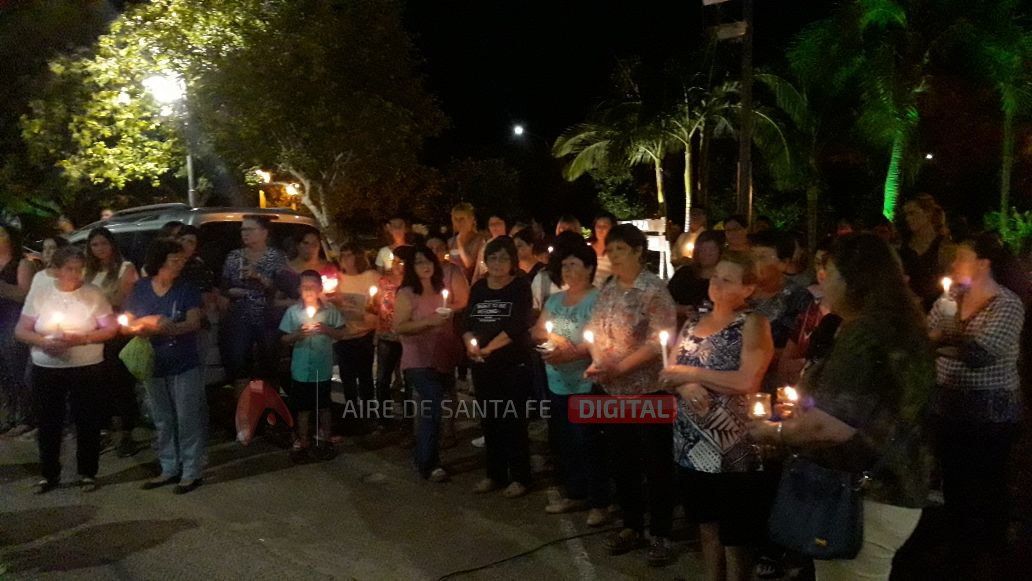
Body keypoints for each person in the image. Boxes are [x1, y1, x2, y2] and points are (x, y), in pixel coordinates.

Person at [748, 233, 934, 581]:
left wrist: (773, 431)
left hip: (864, 498)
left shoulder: (865, 335)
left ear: (854, 279)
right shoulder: (901, 326)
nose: (822, 281)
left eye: (829, 272)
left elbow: (830, 425)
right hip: (894, 488)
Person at [660, 252, 775, 581]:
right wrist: (684, 385)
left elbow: (747, 380)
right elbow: (668, 376)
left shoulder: (753, 324)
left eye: (728, 279)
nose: (717, 285)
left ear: (748, 289)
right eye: (715, 277)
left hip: (732, 446)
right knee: (706, 527)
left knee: (735, 536)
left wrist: (686, 372)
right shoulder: (695, 322)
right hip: (691, 444)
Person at [927, 233, 1027, 579]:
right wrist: (943, 340)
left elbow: (980, 354)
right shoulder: (948, 299)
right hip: (950, 407)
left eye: (961, 258)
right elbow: (926, 337)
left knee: (988, 479)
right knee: (955, 478)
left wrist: (943, 340)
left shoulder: (1007, 304)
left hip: (991, 412)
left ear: (983, 264)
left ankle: (993, 550)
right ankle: (959, 547)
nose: (954, 265)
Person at [585, 223, 678, 566]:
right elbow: (595, 330)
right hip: (614, 392)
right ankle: (632, 524)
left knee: (655, 464)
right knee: (621, 460)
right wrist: (598, 363)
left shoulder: (653, 290)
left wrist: (621, 367)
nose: (614, 257)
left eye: (621, 250)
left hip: (648, 391)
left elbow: (660, 340)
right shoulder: (609, 288)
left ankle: (662, 533)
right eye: (610, 251)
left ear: (639, 251)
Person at [15, 246, 118, 493]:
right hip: (48, 366)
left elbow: (110, 328)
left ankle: (87, 472)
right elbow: (21, 330)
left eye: (79, 269)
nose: (75, 274)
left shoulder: (93, 294)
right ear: (57, 271)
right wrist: (44, 342)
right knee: (49, 421)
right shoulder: (41, 293)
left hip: (86, 366)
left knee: (87, 420)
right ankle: (49, 474)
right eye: (69, 269)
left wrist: (81, 338)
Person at [531, 242, 609, 526]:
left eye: (575, 264)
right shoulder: (554, 301)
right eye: (564, 265)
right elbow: (539, 330)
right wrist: (554, 343)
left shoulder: (598, 300)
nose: (568, 270)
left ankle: (600, 501)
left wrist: (569, 352)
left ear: (590, 268)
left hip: (586, 383)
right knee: (565, 442)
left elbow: (599, 340)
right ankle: (575, 493)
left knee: (589, 443)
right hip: (557, 381)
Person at [123, 239, 208, 494]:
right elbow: (126, 322)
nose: (180, 265)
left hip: (183, 362)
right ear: (160, 261)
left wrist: (172, 328)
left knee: (187, 417)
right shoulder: (140, 289)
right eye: (175, 260)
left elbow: (193, 322)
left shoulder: (186, 289)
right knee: (162, 418)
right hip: (152, 361)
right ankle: (169, 467)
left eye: (182, 260)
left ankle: (191, 471)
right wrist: (147, 325)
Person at [464, 236, 535, 498]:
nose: (497, 263)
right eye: (492, 257)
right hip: (483, 364)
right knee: (490, 420)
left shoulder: (520, 285)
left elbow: (518, 323)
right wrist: (470, 344)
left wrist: (490, 348)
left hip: (513, 363)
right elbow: (468, 319)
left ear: (513, 261)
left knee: (513, 421)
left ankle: (520, 477)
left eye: (503, 257)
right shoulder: (480, 287)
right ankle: (494, 473)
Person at [394, 245, 463, 481]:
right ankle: (429, 463)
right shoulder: (406, 293)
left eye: (429, 261)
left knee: (434, 410)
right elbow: (400, 327)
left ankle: (425, 455)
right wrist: (429, 322)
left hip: (442, 357)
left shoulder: (440, 290)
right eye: (419, 262)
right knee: (431, 407)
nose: (425, 266)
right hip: (418, 360)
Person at [85, 227, 140, 457]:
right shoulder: (88, 272)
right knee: (98, 384)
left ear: (112, 245)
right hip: (93, 332)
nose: (100, 249)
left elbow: (119, 298)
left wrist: (93, 304)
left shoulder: (125, 268)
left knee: (120, 382)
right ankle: (104, 431)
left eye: (103, 244)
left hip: (117, 331)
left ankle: (127, 432)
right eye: (95, 245)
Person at [279, 270, 346, 454]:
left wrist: (326, 330)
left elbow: (341, 333)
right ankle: (304, 440)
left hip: (321, 367)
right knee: (302, 408)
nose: (308, 290)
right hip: (301, 368)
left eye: (312, 286)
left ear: (320, 288)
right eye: (304, 287)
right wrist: (297, 335)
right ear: (299, 289)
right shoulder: (293, 312)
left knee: (323, 404)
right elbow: (284, 338)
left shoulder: (330, 311)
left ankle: (326, 438)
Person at [220, 217, 290, 390]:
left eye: (250, 230)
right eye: (243, 230)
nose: (245, 234)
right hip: (240, 316)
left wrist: (259, 277)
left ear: (264, 233)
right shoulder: (234, 256)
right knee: (239, 362)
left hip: (268, 316)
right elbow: (224, 287)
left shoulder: (276, 257)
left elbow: (283, 287)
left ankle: (269, 405)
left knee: (269, 362)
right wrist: (231, 293)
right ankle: (245, 410)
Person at [747, 230, 814, 361]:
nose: (754, 263)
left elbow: (800, 348)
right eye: (751, 257)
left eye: (762, 257)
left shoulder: (798, 298)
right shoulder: (739, 290)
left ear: (784, 263)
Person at [333, 243, 380, 415]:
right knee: (347, 379)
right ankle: (352, 414)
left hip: (364, 334)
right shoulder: (337, 278)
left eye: (349, 255)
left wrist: (365, 310)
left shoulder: (371, 276)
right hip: (343, 335)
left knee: (365, 377)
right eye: (342, 255)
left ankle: (368, 413)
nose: (345, 259)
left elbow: (379, 305)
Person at [0, 224, 36, 437]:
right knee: (3, 374)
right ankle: (10, 415)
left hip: (13, 321)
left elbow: (25, 295)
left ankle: (26, 417)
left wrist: (3, 288)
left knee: (17, 370)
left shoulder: (21, 264)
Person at [372, 245, 409, 430]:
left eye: (401, 261)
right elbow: (376, 307)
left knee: (409, 380)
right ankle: (384, 417)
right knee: (383, 378)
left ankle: (408, 419)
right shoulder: (383, 282)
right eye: (395, 260)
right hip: (387, 335)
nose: (397, 264)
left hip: (407, 336)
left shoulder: (412, 285)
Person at [899, 193, 955, 311]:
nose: (908, 219)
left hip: (937, 311)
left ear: (928, 213)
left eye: (912, 213)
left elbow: (952, 282)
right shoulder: (903, 247)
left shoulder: (943, 246)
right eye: (906, 215)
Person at [668, 230, 724, 318]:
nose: (706, 254)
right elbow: (665, 300)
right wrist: (682, 309)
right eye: (702, 249)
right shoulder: (685, 273)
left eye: (711, 250)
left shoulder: (725, 277)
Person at [447, 203, 486, 284]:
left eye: (462, 219)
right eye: (456, 219)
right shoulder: (451, 242)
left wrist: (460, 243)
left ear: (471, 219)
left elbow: (468, 264)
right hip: (454, 282)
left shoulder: (479, 240)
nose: (459, 222)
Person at [473, 213, 509, 281]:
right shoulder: (485, 245)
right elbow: (477, 269)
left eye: (498, 223)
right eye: (491, 224)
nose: (494, 227)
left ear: (505, 224)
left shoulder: (511, 243)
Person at [590, 214, 615, 286]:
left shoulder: (617, 250)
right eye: (598, 226)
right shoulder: (586, 248)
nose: (601, 229)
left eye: (605, 226)